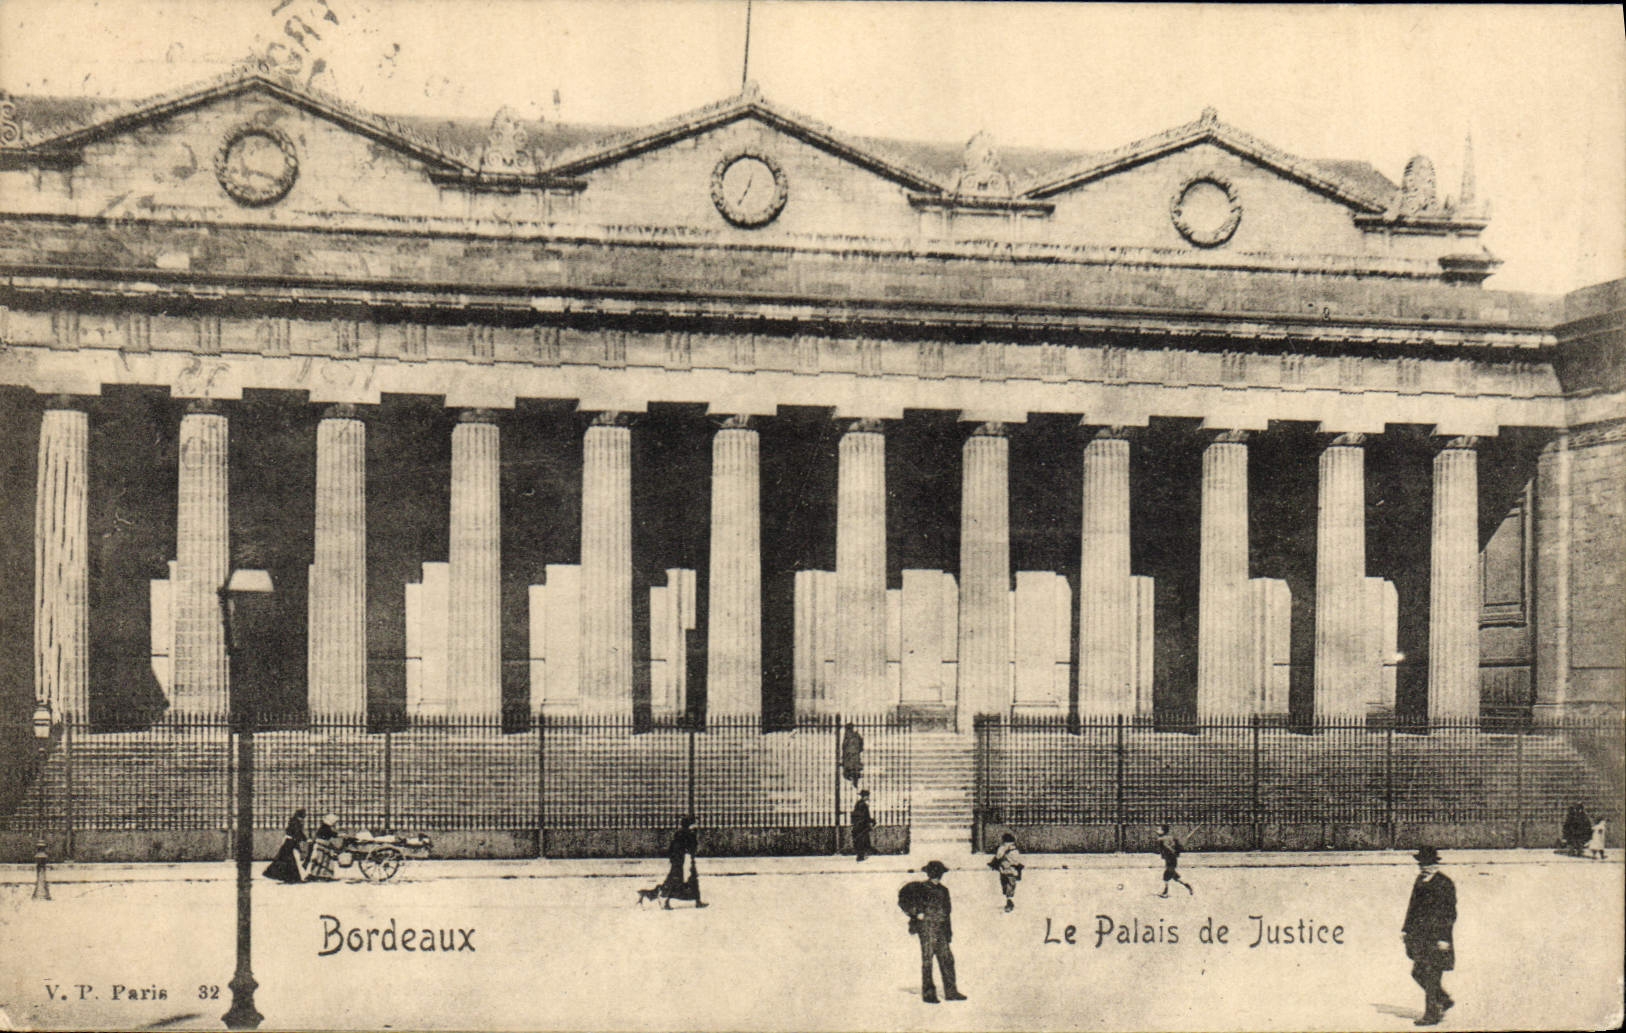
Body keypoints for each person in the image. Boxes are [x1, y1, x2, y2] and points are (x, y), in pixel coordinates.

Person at [1401, 845, 1457, 1027]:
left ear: (1435, 864)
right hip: (1419, 936)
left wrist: (1444, 938)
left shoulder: (1444, 883)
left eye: (1427, 864)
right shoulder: (1420, 880)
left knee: (1431, 974)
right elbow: (1412, 907)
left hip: (1436, 937)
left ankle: (1432, 1014)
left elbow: (1449, 914)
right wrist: (1406, 929)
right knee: (1418, 972)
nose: (1424, 868)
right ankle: (1443, 1000)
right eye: (1421, 864)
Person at [897, 860, 965, 1003]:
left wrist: (948, 931)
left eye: (938, 874)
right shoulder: (920, 888)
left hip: (941, 928)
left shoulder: (944, 890)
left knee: (947, 959)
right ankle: (929, 994)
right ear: (929, 874)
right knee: (928, 960)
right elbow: (903, 900)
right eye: (934, 874)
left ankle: (951, 992)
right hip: (926, 927)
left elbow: (947, 912)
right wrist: (915, 913)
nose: (937, 877)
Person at [660, 816, 707, 909]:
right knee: (688, 881)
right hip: (685, 861)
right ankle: (696, 901)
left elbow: (672, 848)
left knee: (677, 881)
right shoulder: (688, 834)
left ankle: (696, 901)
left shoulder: (679, 833)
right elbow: (691, 847)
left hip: (679, 861)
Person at [263, 808, 307, 883]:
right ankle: (293, 878)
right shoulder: (296, 822)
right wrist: (304, 839)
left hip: (288, 842)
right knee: (289, 860)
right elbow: (297, 833)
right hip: (290, 843)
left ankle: (289, 877)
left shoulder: (294, 821)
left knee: (286, 860)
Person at [990, 832, 1024, 912]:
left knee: (1005, 885)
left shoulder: (1002, 847)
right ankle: (1009, 899)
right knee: (1011, 885)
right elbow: (1017, 860)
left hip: (1004, 870)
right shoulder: (1015, 848)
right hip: (1013, 870)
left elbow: (998, 856)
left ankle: (1009, 901)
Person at [1155, 824, 1193, 897]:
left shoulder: (1161, 839)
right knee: (1173, 876)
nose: (1157, 831)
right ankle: (1186, 885)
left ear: (1163, 831)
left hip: (1169, 859)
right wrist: (1176, 853)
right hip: (1173, 859)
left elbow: (1166, 847)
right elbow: (1179, 847)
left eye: (1159, 829)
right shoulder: (1172, 838)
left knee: (1167, 875)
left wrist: (1168, 853)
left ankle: (1165, 892)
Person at [305, 812, 343, 882]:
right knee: (323, 860)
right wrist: (340, 835)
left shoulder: (324, 827)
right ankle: (321, 875)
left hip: (322, 844)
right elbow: (332, 834)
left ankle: (319, 875)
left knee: (322, 861)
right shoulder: (326, 827)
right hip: (322, 845)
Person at [851, 789, 874, 862]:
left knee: (860, 841)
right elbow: (864, 816)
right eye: (867, 796)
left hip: (859, 825)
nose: (868, 797)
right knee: (862, 841)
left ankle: (860, 856)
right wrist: (871, 821)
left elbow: (855, 815)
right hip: (861, 826)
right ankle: (861, 856)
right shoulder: (863, 805)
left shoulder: (858, 803)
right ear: (864, 796)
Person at [840, 721, 864, 789]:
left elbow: (844, 747)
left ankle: (853, 781)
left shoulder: (850, 736)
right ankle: (853, 780)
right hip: (853, 756)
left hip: (851, 756)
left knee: (851, 769)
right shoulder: (854, 735)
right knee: (853, 769)